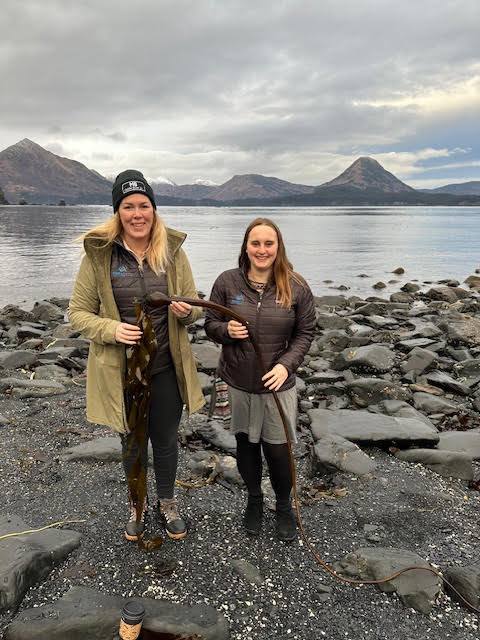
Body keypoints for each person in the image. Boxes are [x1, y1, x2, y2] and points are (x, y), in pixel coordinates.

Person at [68, 169, 204, 542]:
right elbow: (77, 312)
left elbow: (195, 306)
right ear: (118, 212)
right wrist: (112, 330)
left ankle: (168, 502)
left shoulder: (173, 252)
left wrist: (186, 312)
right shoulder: (99, 255)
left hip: (164, 367)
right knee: (130, 441)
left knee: (164, 438)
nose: (137, 213)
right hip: (119, 371)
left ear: (154, 209)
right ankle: (137, 504)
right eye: (128, 206)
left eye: (144, 205)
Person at [204, 218, 315, 541]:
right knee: (245, 445)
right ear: (246, 247)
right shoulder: (228, 282)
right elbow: (210, 323)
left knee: (279, 451)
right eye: (256, 243)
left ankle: (283, 506)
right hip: (237, 381)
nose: (262, 250)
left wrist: (286, 366)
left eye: (269, 243)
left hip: (278, 385)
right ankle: (253, 499)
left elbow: (305, 332)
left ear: (278, 247)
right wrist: (226, 331)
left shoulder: (296, 286)